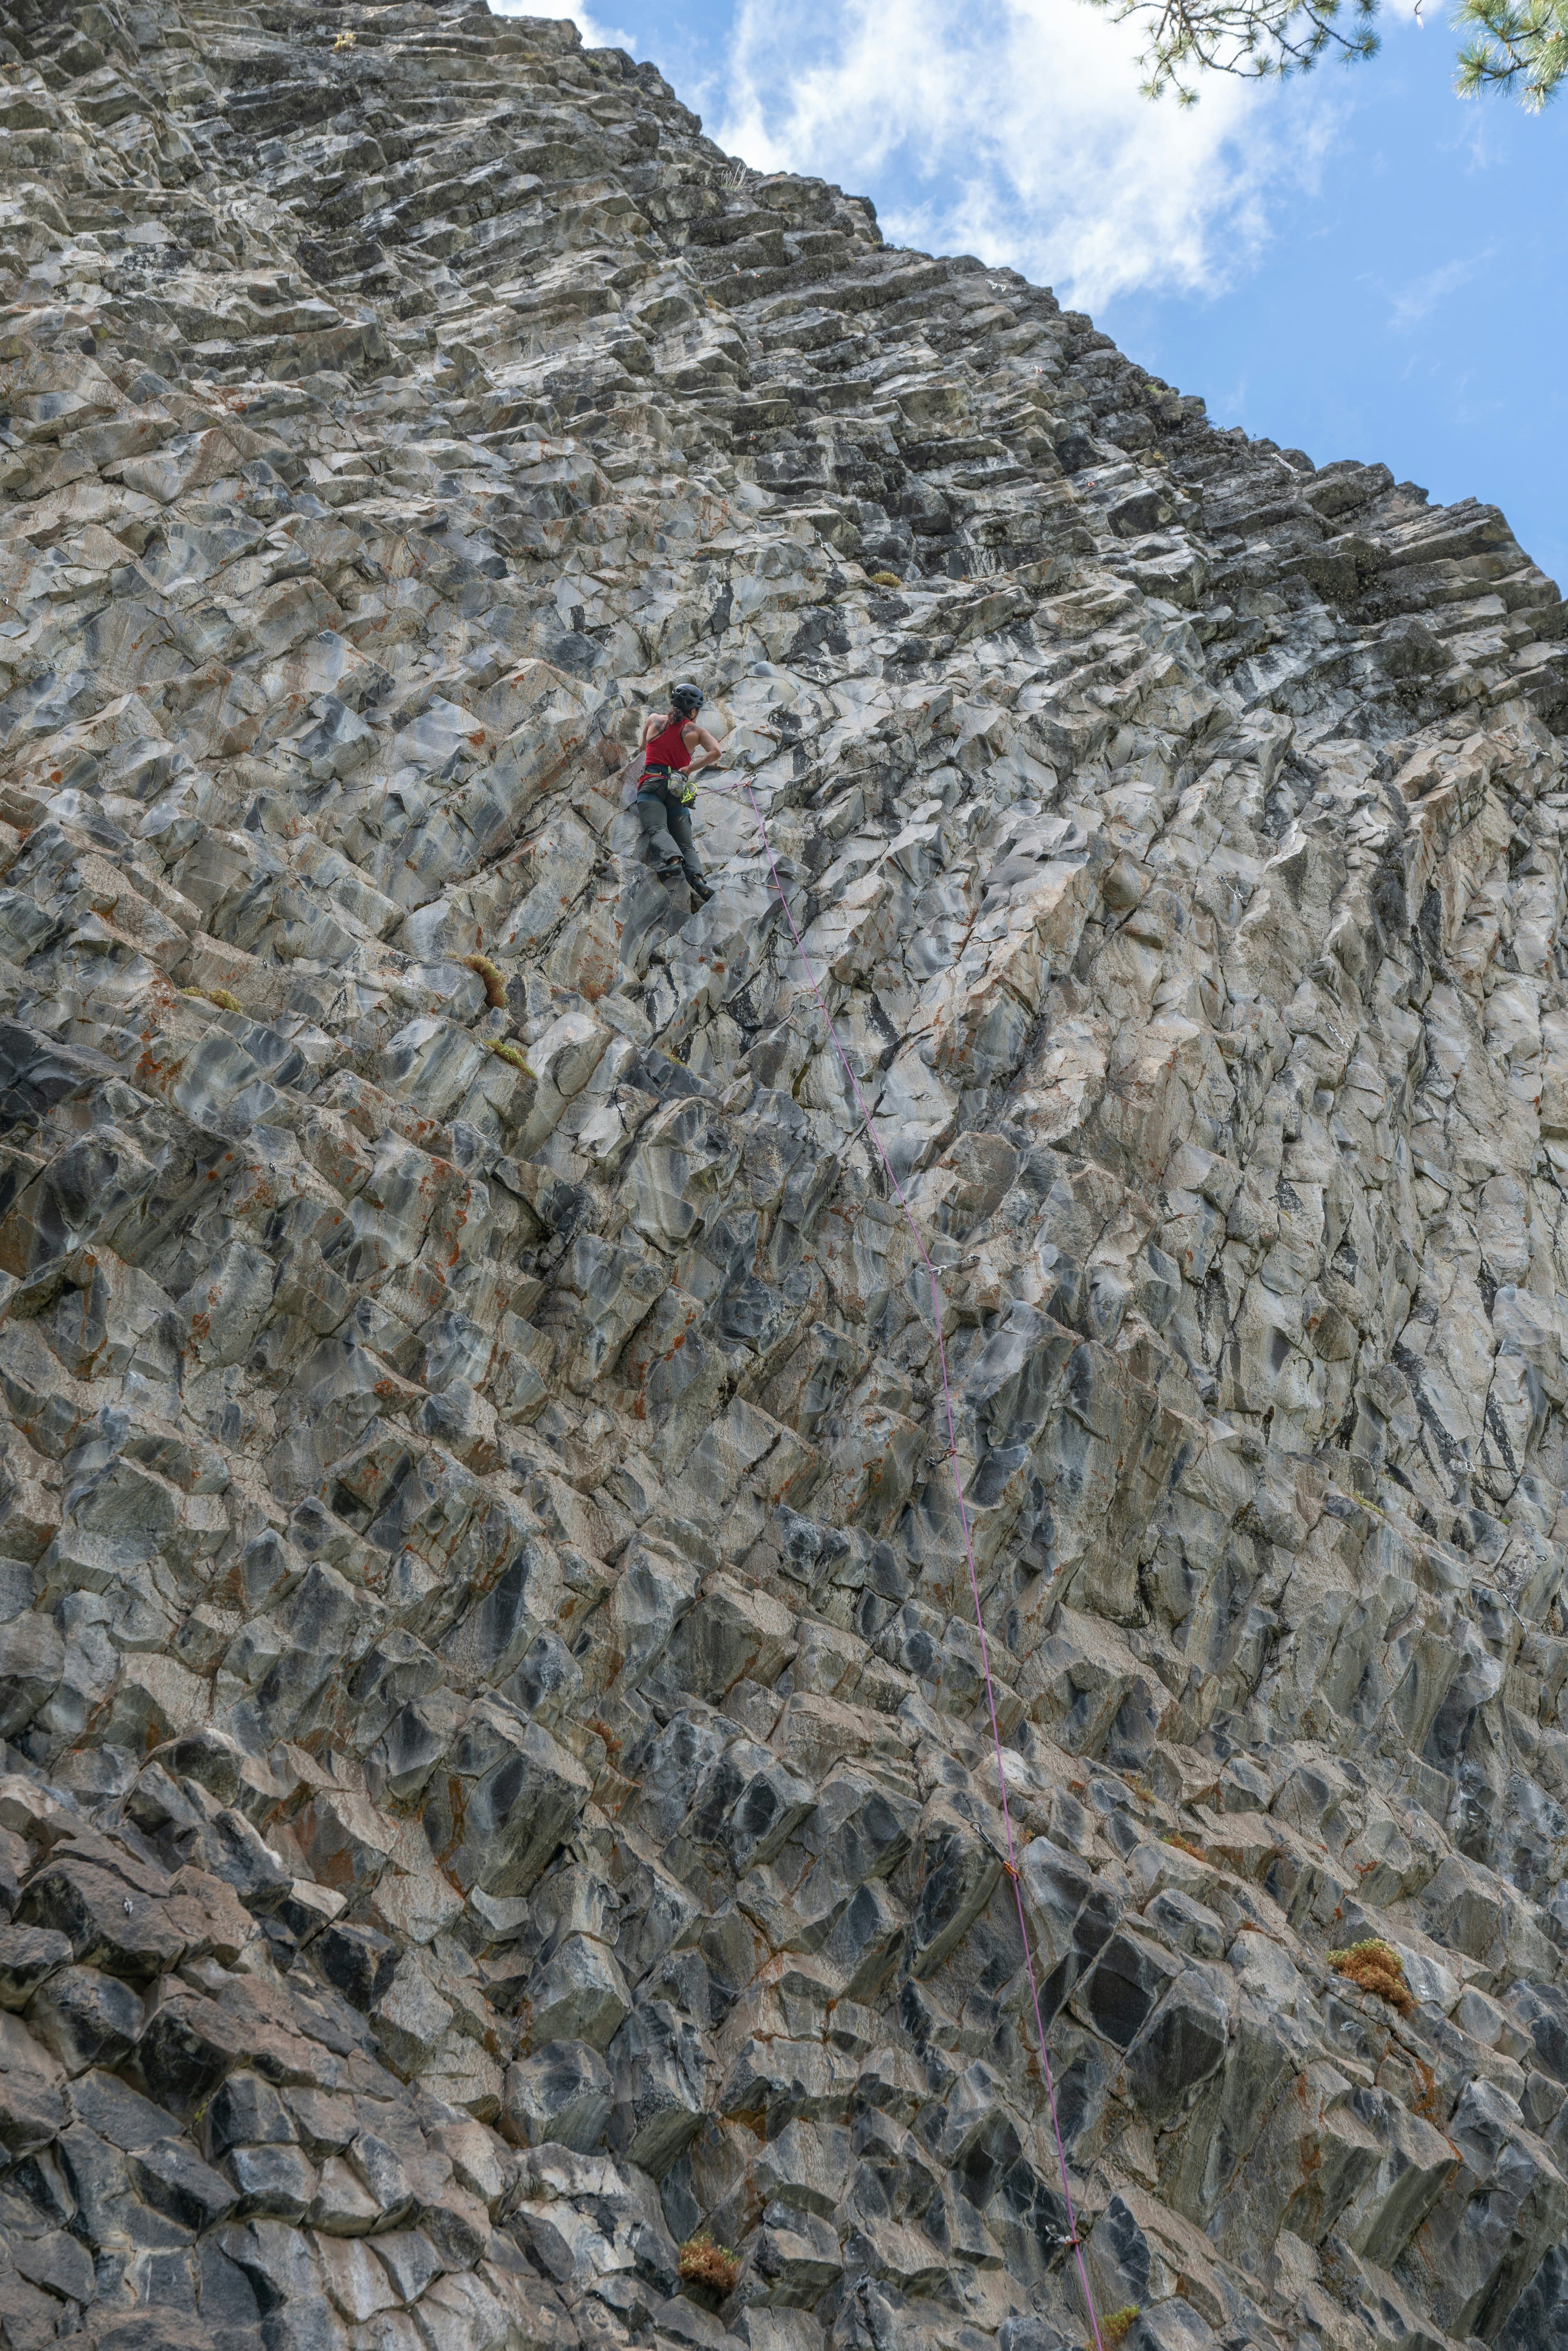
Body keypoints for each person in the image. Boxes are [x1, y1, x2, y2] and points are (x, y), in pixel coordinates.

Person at [635, 682, 724, 906]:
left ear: (673, 703)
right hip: (676, 788)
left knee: (657, 829)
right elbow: (717, 752)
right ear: (694, 711)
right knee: (687, 844)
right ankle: (697, 879)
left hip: (651, 784)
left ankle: (674, 861)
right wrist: (688, 769)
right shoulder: (696, 732)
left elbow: (642, 749)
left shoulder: (654, 720)